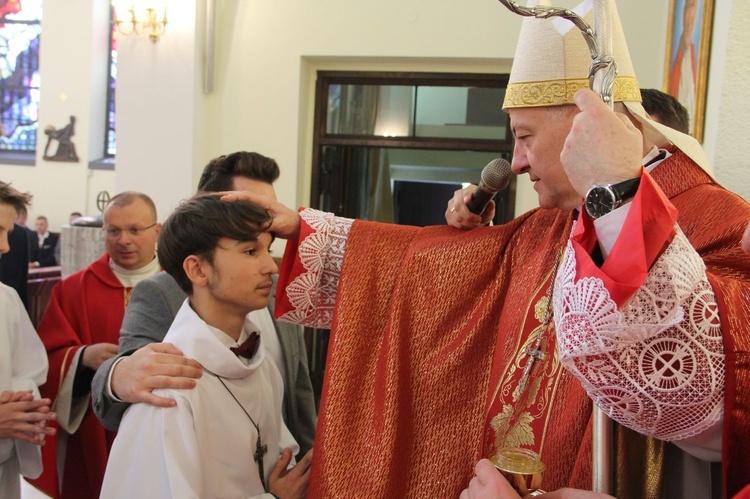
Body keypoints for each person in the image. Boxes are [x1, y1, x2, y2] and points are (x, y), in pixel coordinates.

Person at [221, 1, 749, 497]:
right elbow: (434, 270)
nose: (516, 162)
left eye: (524, 135)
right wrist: (312, 234)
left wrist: (619, 202)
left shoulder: (718, 220)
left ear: (592, 123)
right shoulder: (551, 224)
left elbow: (712, 400)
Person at [90, 151, 317, 458]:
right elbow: (136, 373)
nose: (267, 218)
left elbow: (297, 388)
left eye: (270, 210)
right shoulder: (160, 293)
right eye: (250, 206)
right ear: (207, 204)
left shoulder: (275, 287)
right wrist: (116, 376)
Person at [29, 192, 161, 499]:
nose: (124, 240)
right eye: (113, 231)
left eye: (135, 230)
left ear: (157, 230)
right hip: (94, 428)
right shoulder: (72, 290)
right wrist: (82, 356)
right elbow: (44, 363)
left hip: (162, 421)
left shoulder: (184, 287)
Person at [0, 181, 57, 499]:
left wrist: (22, 409)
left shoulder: (5, 299)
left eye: (8, 232)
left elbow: (30, 372)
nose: (6, 247)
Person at [667, 0, 698, 128]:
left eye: (692, 7)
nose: (688, 18)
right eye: (687, 7)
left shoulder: (692, 53)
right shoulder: (680, 53)